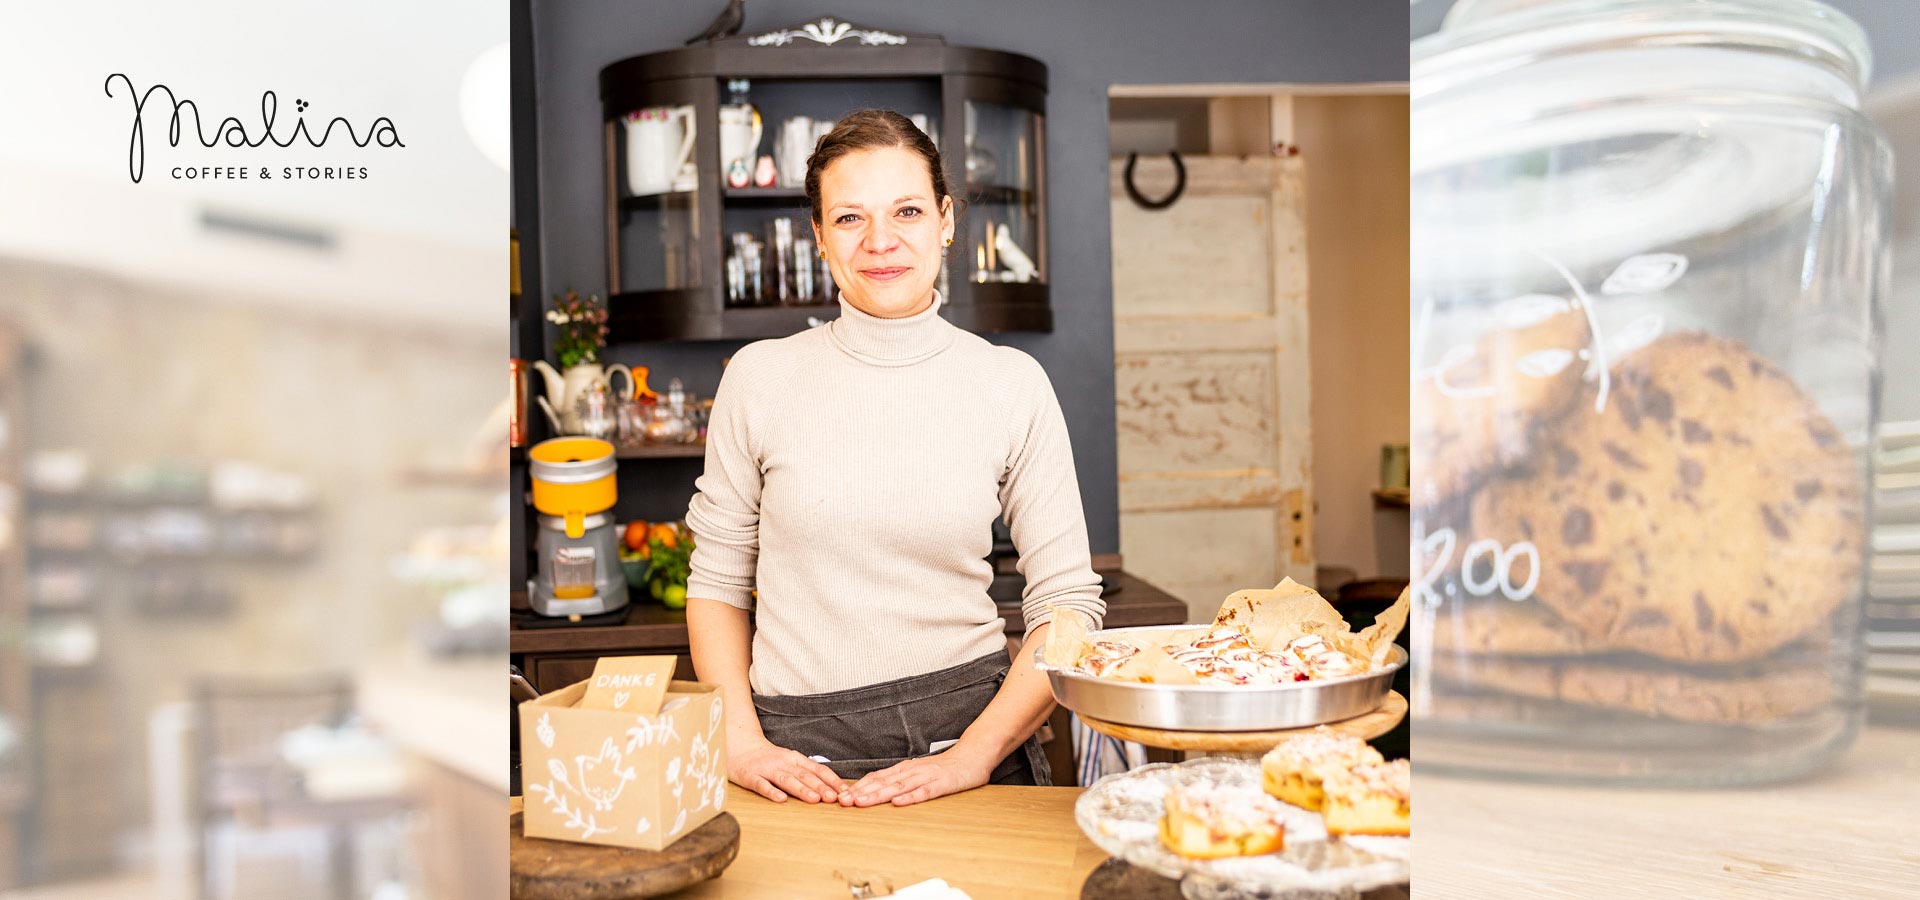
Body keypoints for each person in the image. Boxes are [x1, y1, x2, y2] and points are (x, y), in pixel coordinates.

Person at [684, 108, 1104, 808]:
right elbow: (718, 585)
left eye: (907, 211)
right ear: (818, 236)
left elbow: (1068, 608)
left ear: (945, 219)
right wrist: (741, 742)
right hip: (792, 757)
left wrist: (973, 757)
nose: (881, 242)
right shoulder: (758, 378)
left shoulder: (1010, 383)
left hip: (972, 745)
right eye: (850, 219)